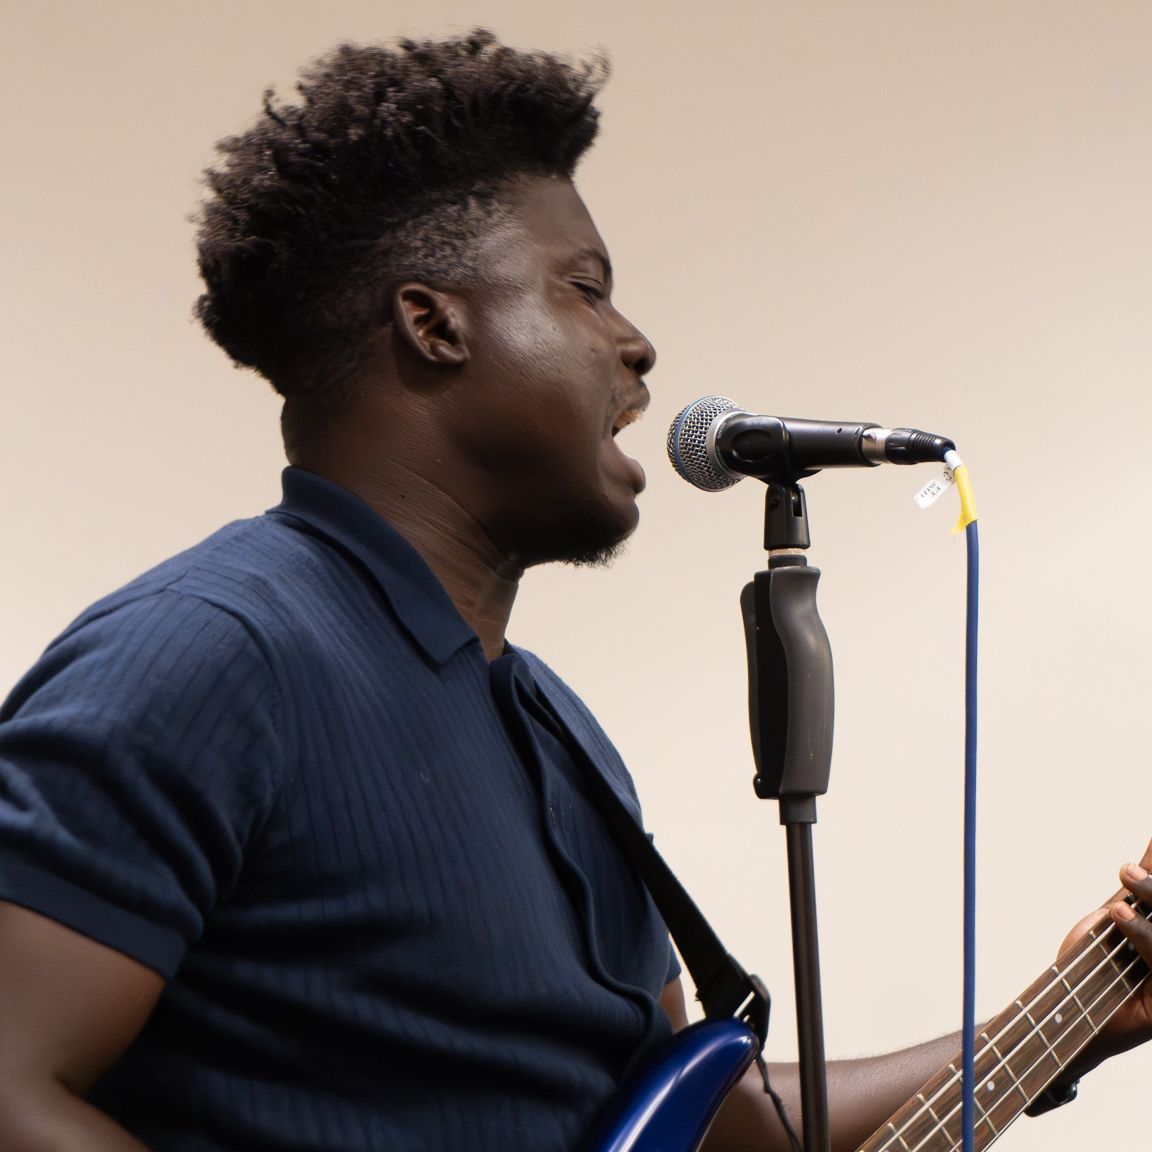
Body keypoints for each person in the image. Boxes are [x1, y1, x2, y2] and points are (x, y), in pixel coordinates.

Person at [0, 29, 1148, 1152]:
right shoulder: (209, 656)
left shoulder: (559, 736)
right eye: (585, 290)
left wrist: (1077, 1011)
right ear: (432, 323)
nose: (636, 343)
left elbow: (721, 1125)